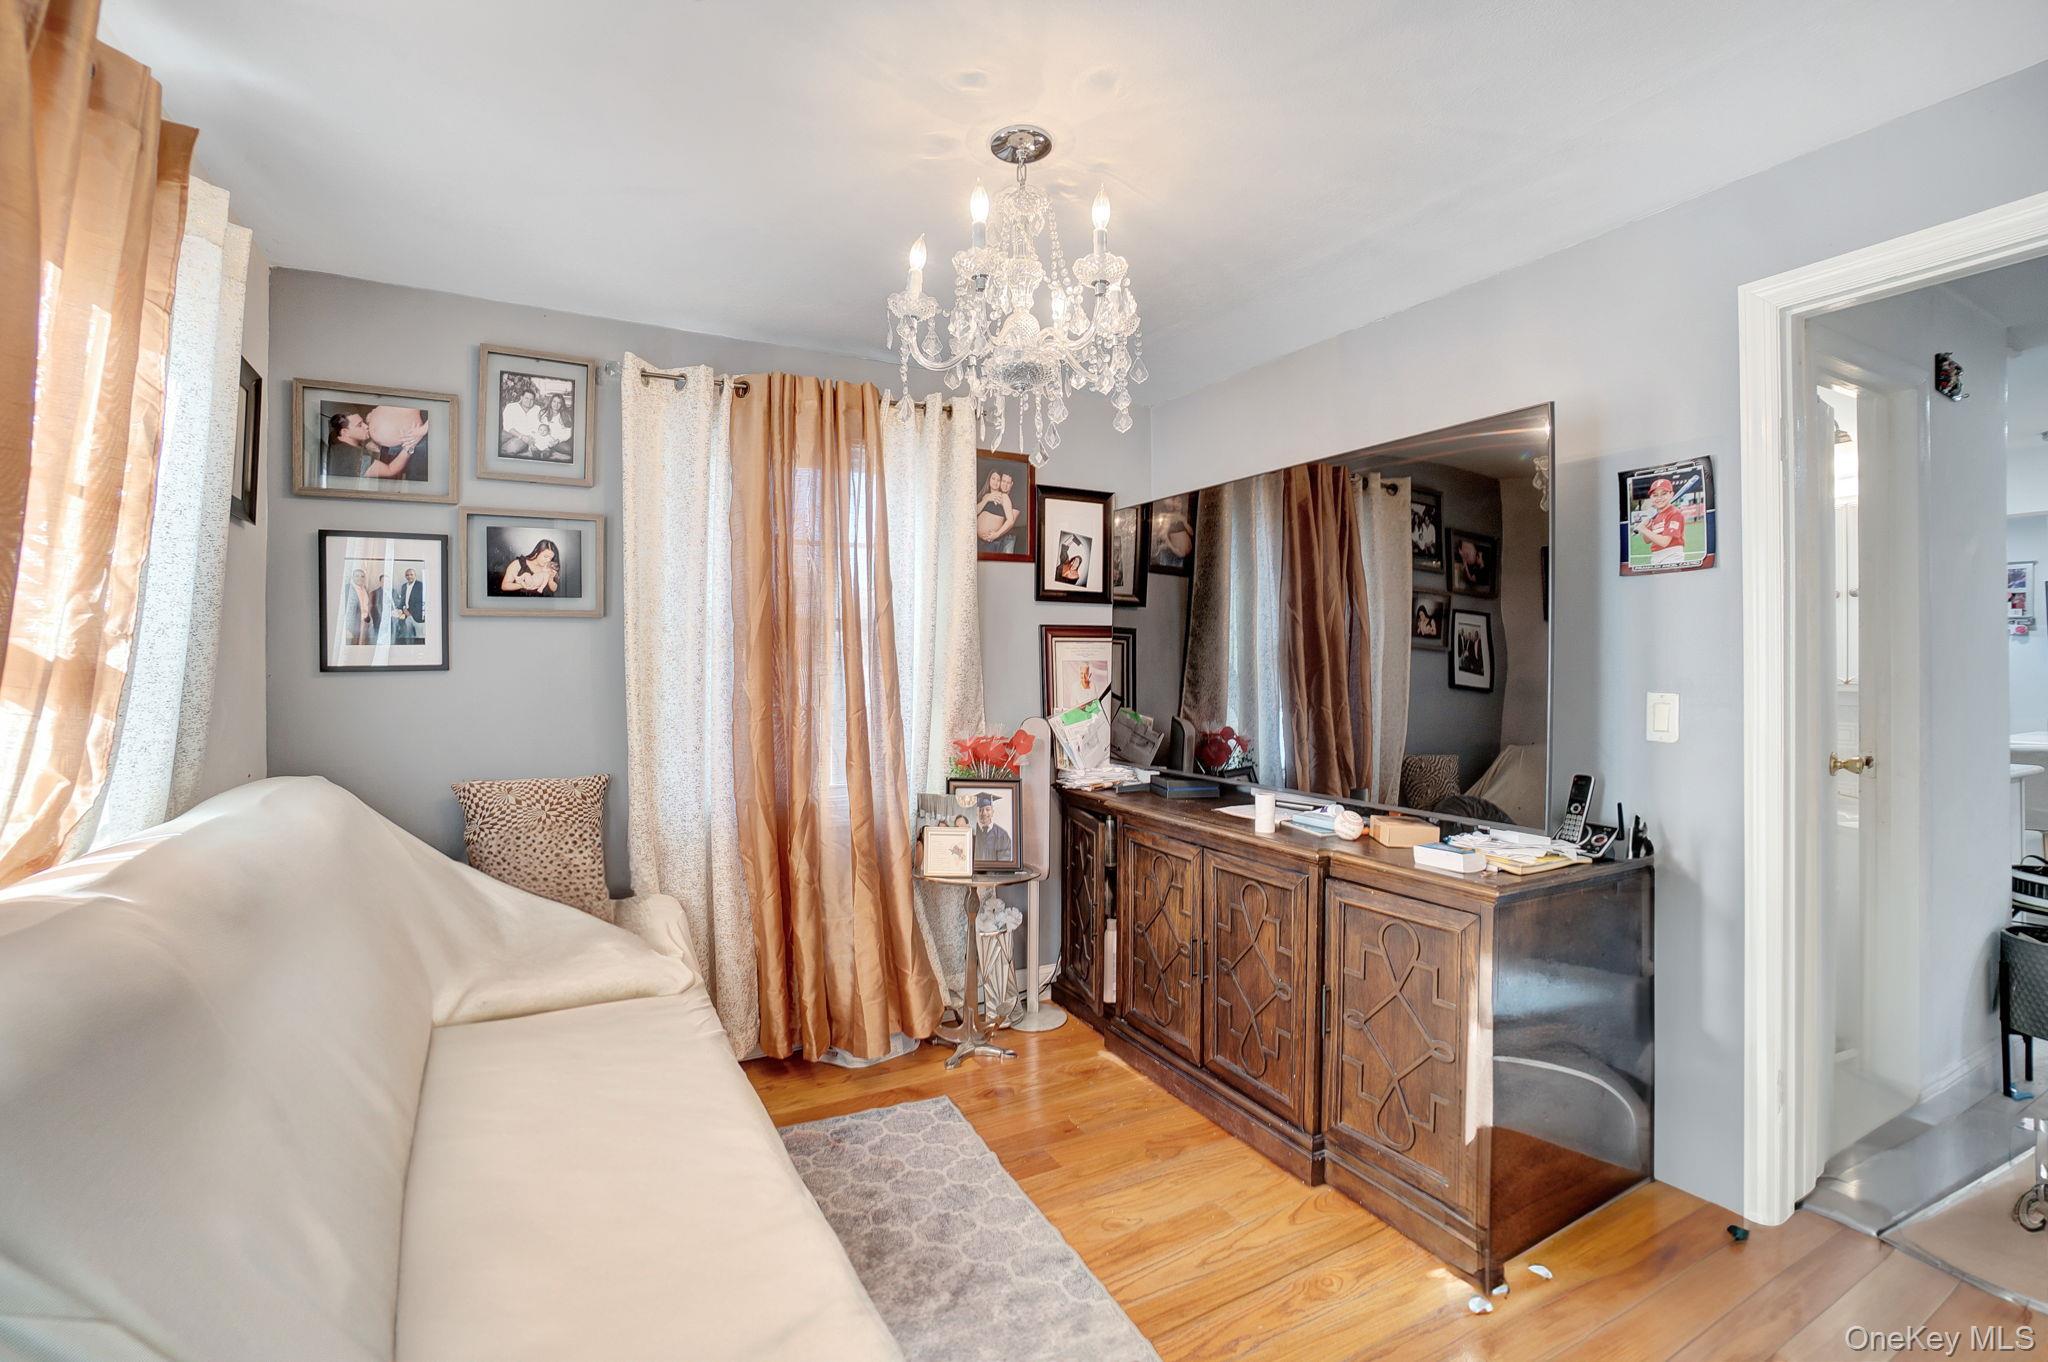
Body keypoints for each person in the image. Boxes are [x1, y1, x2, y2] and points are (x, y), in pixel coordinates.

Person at [326, 407, 427, 480]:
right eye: (359, 425)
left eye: (363, 422)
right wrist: (410, 445)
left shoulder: (340, 444)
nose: (366, 426)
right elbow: (390, 470)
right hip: (415, 439)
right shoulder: (352, 459)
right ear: (345, 432)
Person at [1633, 476, 1689, 567]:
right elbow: (1647, 540)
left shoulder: (1675, 513)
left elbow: (1664, 542)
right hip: (1656, 556)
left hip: (1672, 555)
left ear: (1671, 494)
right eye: (1655, 495)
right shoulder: (1654, 515)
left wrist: (1644, 529)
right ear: (1651, 498)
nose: (1659, 498)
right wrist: (1645, 526)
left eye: (1664, 493)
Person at [976, 471, 1019, 548]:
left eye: (998, 480)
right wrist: (987, 499)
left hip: (991, 542)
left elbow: (1010, 521)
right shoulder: (985, 496)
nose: (995, 482)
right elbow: (974, 513)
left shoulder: (1004, 497)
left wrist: (996, 535)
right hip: (977, 541)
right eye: (993, 478)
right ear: (989, 480)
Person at [501, 383, 544, 457]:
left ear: (534, 400)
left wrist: (527, 438)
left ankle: (517, 446)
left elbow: (539, 426)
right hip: (509, 432)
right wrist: (520, 436)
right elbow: (507, 425)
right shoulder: (511, 406)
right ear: (521, 397)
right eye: (526, 398)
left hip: (526, 437)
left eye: (531, 399)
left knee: (511, 448)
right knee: (494, 440)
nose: (529, 401)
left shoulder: (537, 409)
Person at [530, 391, 573, 461]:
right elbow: (536, 427)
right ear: (551, 402)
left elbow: (568, 432)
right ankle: (542, 450)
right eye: (554, 402)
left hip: (556, 441)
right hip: (543, 437)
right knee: (537, 445)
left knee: (568, 449)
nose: (556, 405)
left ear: (562, 405)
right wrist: (533, 441)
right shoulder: (543, 413)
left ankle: (548, 450)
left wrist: (558, 440)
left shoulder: (565, 415)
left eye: (559, 403)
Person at [971, 793, 1012, 865]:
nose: (984, 813)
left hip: (994, 874)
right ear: (977, 813)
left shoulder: (1002, 835)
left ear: (992, 812)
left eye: (987, 809)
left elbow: (1004, 861)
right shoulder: (971, 832)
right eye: (980, 810)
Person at [391, 567, 425, 643]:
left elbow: (421, 602)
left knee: (419, 636)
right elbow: (403, 601)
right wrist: (400, 610)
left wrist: (409, 612)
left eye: (411, 574)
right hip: (406, 616)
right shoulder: (404, 586)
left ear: (415, 575)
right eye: (407, 575)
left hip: (417, 616)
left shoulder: (421, 585)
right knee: (408, 635)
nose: (409, 576)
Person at [340, 568, 372, 645]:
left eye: (362, 576)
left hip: (364, 623)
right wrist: (347, 628)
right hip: (352, 625)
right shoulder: (347, 588)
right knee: (351, 646)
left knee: (362, 646)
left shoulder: (365, 589)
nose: (360, 578)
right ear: (352, 577)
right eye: (357, 576)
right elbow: (344, 609)